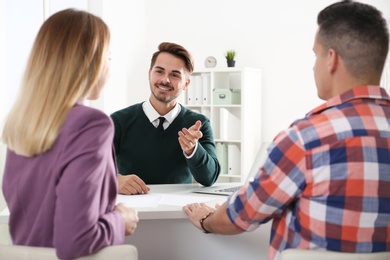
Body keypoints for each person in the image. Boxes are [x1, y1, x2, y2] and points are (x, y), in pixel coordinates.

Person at [183, 1, 390, 259]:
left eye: (315, 55)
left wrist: (207, 220)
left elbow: (242, 215)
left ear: (331, 59)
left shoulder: (306, 138)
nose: (313, 66)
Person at [1, 9, 138, 260]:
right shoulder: (92, 124)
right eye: (108, 57)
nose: (109, 66)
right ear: (91, 62)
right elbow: (75, 241)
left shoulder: (21, 124)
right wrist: (121, 219)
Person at [111, 42, 220, 195]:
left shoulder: (198, 125)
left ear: (186, 83)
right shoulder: (118, 121)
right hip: (132, 211)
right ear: (149, 74)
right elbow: (92, 168)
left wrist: (192, 150)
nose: (165, 80)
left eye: (174, 75)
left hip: (178, 213)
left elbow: (209, 178)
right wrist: (114, 180)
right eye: (159, 71)